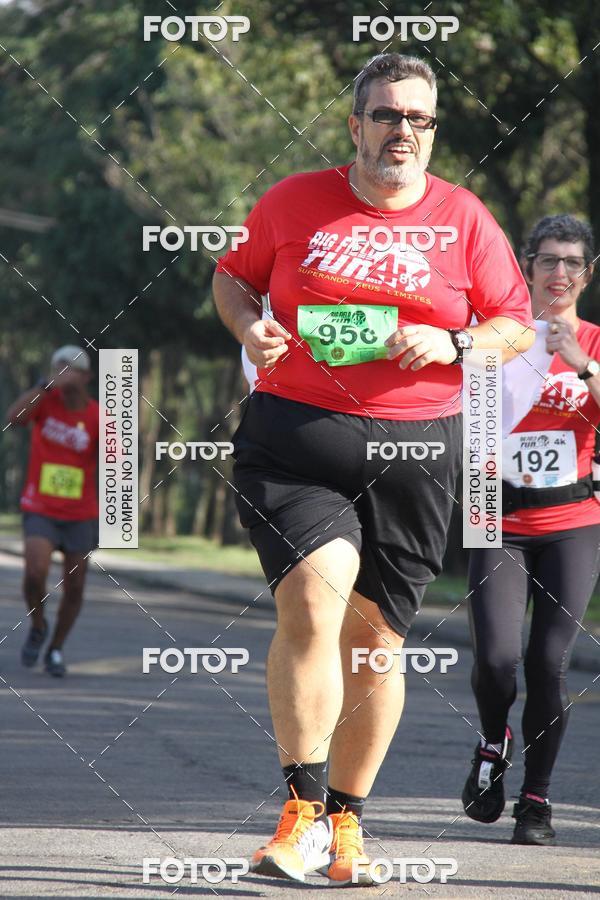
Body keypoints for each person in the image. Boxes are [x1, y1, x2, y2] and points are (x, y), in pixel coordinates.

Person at [213, 52, 533, 886]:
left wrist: (455, 341)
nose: (403, 132)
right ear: (354, 125)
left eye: (419, 119)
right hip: (298, 440)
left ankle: (347, 825)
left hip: (419, 450)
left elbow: (515, 324)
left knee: (376, 648)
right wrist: (251, 329)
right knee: (314, 604)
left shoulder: (463, 219)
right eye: (387, 115)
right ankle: (300, 812)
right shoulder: (292, 203)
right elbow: (232, 278)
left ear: (433, 132)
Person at [462, 214, 600, 845]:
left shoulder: (593, 344)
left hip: (573, 519)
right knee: (496, 661)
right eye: (548, 260)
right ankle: (494, 742)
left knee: (550, 662)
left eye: (573, 262)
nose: (560, 273)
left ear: (587, 273)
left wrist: (581, 365)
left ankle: (536, 801)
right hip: (494, 512)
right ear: (527, 266)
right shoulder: (495, 340)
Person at [6, 345, 99, 677]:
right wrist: (45, 385)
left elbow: (118, 465)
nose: (64, 372)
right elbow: (13, 419)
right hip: (40, 507)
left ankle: (56, 648)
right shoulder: (43, 402)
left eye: (72, 368)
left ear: (86, 376)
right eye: (59, 367)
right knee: (34, 573)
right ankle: (38, 624)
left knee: (74, 587)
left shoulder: (98, 416)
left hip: (80, 514)